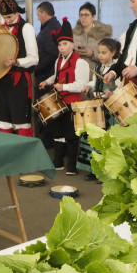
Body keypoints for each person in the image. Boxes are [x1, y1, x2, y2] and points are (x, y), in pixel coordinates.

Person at [38, 18, 89, 175]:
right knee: (57, 133)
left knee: (71, 135)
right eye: (59, 45)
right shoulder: (58, 60)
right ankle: (58, 162)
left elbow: (81, 85)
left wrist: (63, 87)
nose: (61, 47)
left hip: (73, 103)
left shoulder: (81, 63)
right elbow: (57, 75)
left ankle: (71, 168)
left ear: (72, 44)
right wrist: (47, 81)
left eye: (65, 44)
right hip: (59, 101)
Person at [0, 0, 39, 137]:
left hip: (19, 81)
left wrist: (17, 62)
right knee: (3, 119)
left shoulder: (26, 28)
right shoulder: (1, 29)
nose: (7, 20)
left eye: (10, 16)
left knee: (20, 119)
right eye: (5, 17)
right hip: (2, 80)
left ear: (16, 12)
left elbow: (34, 58)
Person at [79, 38, 122, 178]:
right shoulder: (98, 68)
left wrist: (112, 92)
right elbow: (94, 80)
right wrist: (88, 86)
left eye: (104, 52)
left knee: (106, 138)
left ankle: (105, 171)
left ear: (113, 53)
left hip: (110, 107)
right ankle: (94, 170)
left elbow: (121, 86)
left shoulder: (118, 69)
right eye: (99, 52)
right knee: (93, 136)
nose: (101, 55)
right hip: (97, 104)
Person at [73, 1, 112, 78]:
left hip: (95, 75)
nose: (83, 17)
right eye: (81, 15)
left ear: (93, 17)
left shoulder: (102, 34)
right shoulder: (74, 34)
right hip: (76, 75)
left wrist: (93, 54)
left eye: (86, 15)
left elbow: (108, 56)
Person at [35, 1, 61, 91]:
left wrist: (36, 69)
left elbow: (53, 54)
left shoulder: (50, 30)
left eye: (38, 15)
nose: (38, 18)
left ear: (44, 13)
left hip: (46, 75)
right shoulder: (52, 26)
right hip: (47, 74)